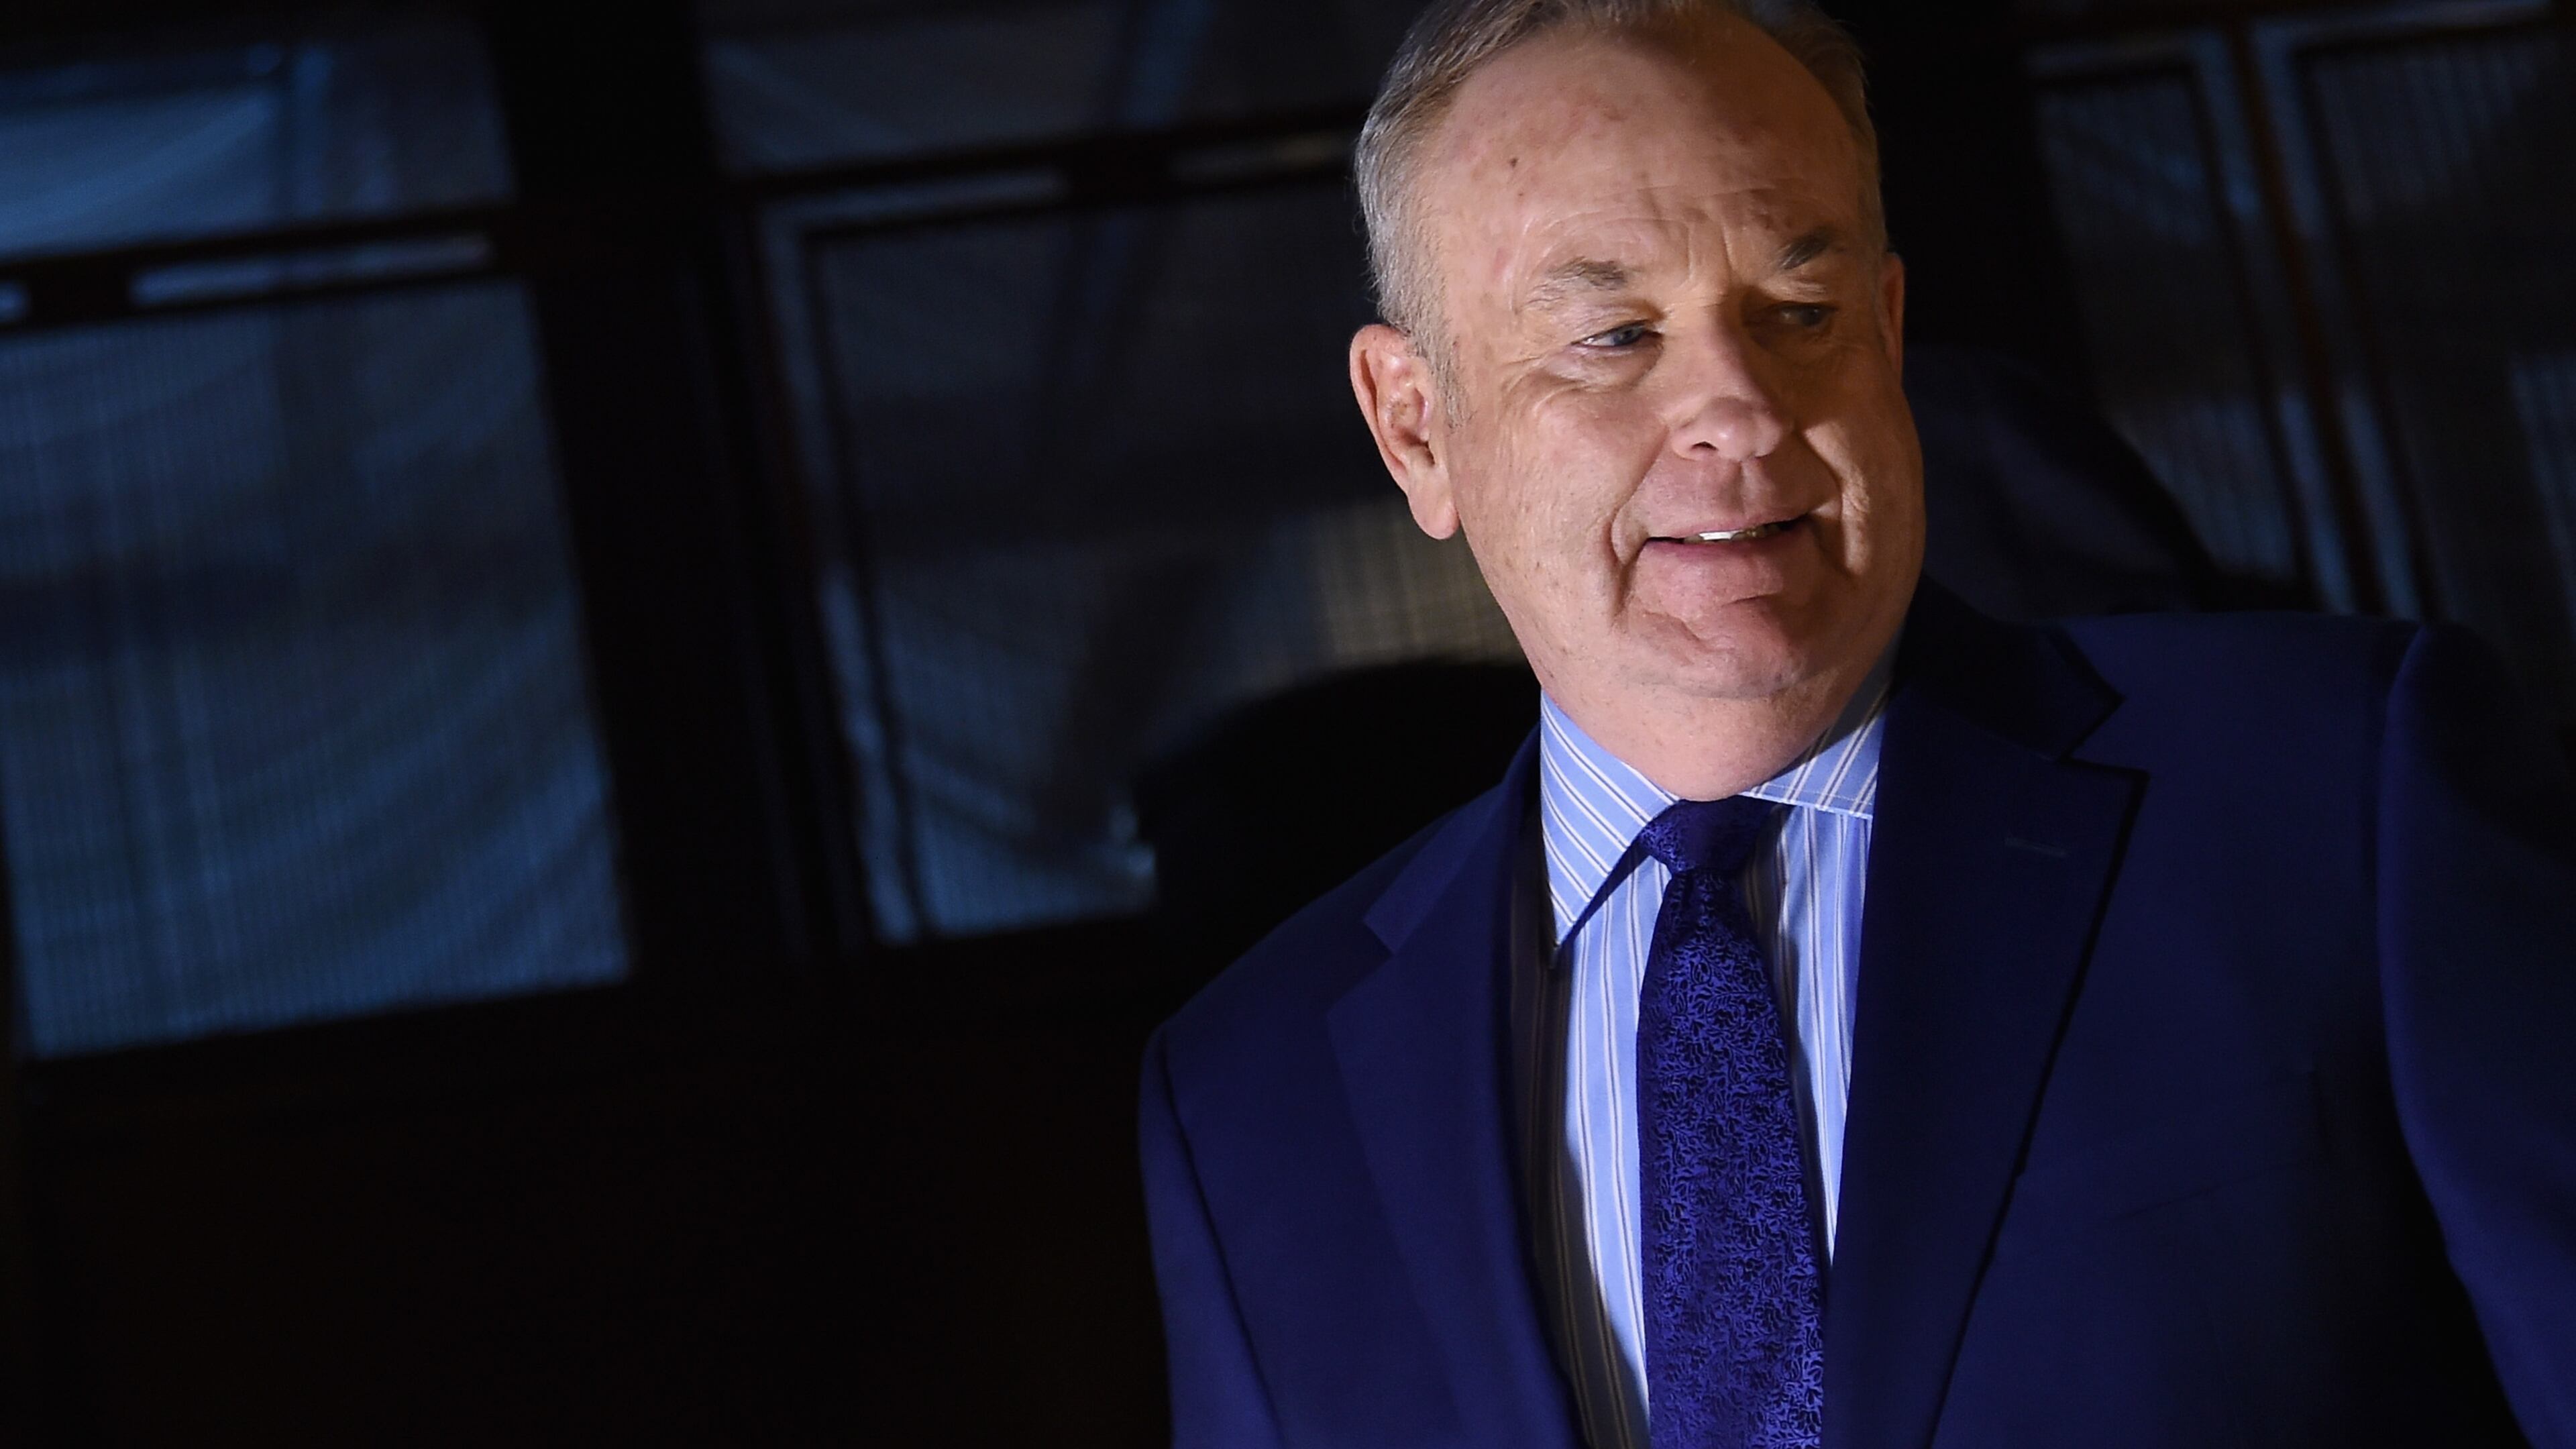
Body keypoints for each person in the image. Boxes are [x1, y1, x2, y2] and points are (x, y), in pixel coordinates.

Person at [1135, 1, 2576, 1446]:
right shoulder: (1254, 1100)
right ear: (1415, 427)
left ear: (1887, 331)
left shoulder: (2338, 798)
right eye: (1615, 333)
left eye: (1800, 313)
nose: (1741, 410)